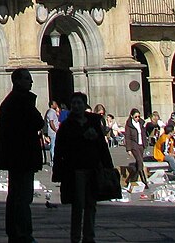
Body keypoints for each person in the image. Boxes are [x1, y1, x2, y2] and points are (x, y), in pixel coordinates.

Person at [52, 91, 114, 243]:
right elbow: (60, 149)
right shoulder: (66, 126)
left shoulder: (93, 123)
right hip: (76, 169)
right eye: (74, 103)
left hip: (93, 167)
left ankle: (89, 236)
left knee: (91, 204)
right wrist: (57, 171)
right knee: (78, 205)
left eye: (79, 103)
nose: (76, 106)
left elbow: (102, 147)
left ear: (84, 105)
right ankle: (75, 237)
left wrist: (108, 166)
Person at [0, 68, 43, 243]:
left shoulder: (10, 101)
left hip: (14, 156)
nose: (31, 82)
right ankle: (23, 234)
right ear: (17, 81)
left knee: (15, 196)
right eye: (27, 79)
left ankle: (14, 232)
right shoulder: (22, 100)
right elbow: (38, 122)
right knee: (23, 198)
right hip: (22, 156)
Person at [124, 108, 148, 188]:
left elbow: (144, 134)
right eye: (135, 117)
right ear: (131, 116)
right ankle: (144, 182)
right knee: (140, 161)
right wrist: (129, 149)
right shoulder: (129, 125)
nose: (137, 118)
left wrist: (145, 144)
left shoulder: (141, 123)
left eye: (138, 116)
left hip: (141, 145)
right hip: (134, 145)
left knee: (138, 164)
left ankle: (130, 179)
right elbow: (127, 137)